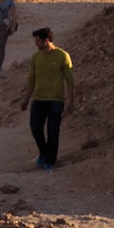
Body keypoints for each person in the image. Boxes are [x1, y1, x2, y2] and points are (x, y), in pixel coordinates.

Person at [20, 26, 76, 170]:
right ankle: (44, 153)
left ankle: (50, 161)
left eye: (37, 41)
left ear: (46, 41)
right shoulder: (35, 57)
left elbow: (70, 80)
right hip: (39, 99)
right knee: (35, 128)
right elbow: (31, 80)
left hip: (56, 100)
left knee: (53, 130)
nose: (35, 43)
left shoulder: (62, 56)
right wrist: (26, 100)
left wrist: (71, 101)